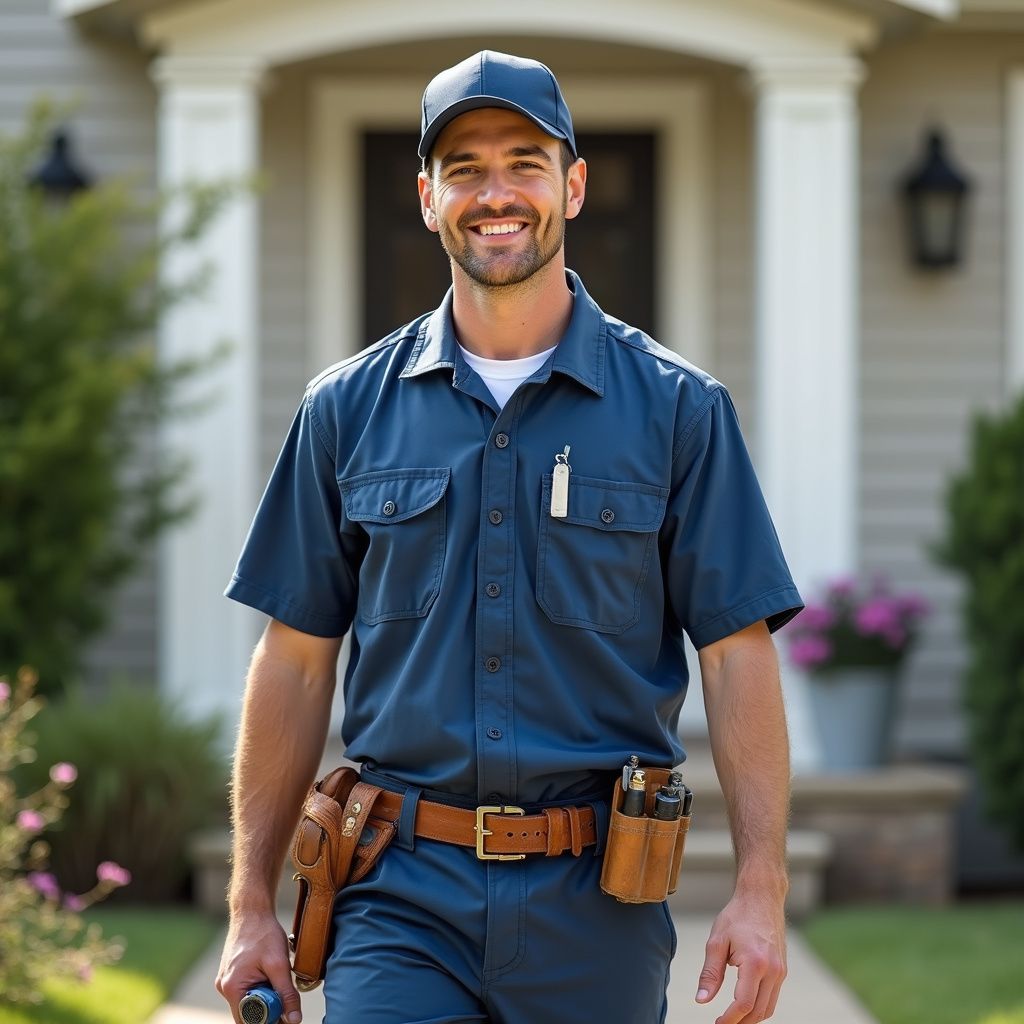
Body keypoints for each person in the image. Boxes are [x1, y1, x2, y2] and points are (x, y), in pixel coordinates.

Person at [215, 49, 803, 1024]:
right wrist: (249, 902)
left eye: (525, 162)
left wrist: (761, 885)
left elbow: (737, 656)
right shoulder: (345, 410)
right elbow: (296, 663)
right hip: (395, 895)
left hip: (597, 906)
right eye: (465, 168)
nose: (496, 193)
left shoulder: (677, 411)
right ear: (425, 197)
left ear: (572, 187)